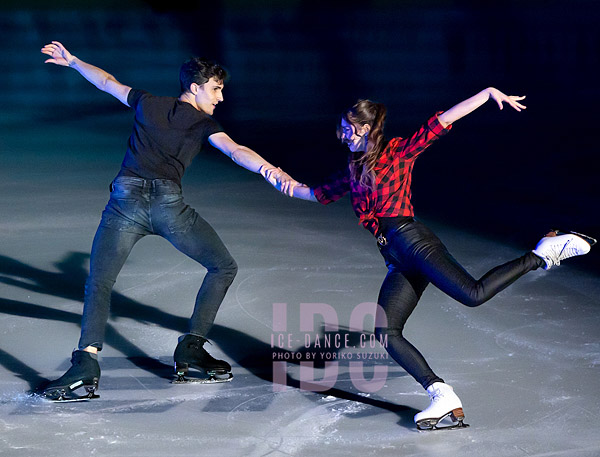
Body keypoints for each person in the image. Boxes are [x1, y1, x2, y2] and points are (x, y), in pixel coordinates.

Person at [272, 87, 594, 430]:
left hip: (413, 241)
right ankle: (442, 394)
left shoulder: (396, 152)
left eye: (346, 130)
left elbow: (440, 123)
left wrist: (486, 95)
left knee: (473, 295)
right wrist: (279, 180)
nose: (342, 136)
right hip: (396, 258)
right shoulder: (354, 168)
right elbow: (317, 193)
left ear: (364, 128)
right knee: (386, 331)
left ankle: (540, 254)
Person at [38, 41, 294, 400]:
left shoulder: (148, 103)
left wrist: (74, 61)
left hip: (124, 203)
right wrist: (270, 170)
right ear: (195, 85)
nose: (220, 97)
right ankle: (190, 351)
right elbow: (236, 152)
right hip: (167, 207)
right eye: (216, 89)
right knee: (222, 266)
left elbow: (108, 82)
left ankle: (86, 364)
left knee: (99, 282)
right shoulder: (205, 124)